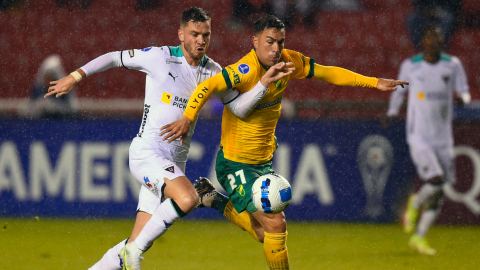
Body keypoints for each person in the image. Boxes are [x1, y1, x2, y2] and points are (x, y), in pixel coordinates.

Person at [45, 7, 294, 270]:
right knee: (187, 199)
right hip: (147, 153)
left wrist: (263, 84)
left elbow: (239, 107)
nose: (201, 40)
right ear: (181, 34)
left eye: (205, 35)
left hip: (173, 164)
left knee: (140, 238)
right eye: (194, 34)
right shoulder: (159, 57)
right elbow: (114, 57)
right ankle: (134, 252)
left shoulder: (213, 70)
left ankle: (119, 256)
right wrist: (75, 76)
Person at [159, 15, 408, 269]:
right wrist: (188, 117)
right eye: (269, 42)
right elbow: (207, 86)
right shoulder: (245, 70)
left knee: (262, 233)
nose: (276, 48)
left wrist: (374, 82)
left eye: (280, 41)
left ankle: (211, 198)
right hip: (236, 163)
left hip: (262, 161)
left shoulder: (289, 60)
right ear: (254, 41)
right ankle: (212, 198)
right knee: (276, 224)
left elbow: (326, 72)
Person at [385, 25, 470, 255]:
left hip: (443, 138)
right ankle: (414, 204)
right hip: (419, 135)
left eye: (439, 36)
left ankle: (419, 236)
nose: (434, 40)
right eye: (430, 36)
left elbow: (464, 90)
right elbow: (399, 90)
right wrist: (393, 112)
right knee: (436, 180)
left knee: (440, 190)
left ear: (444, 41)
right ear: (423, 41)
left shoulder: (452, 65)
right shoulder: (411, 66)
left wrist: (463, 98)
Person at [23, 54, 77, 119]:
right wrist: (38, 106)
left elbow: (71, 109)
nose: (48, 80)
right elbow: (29, 108)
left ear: (56, 78)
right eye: (46, 77)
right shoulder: (37, 89)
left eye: (50, 77)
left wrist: (54, 107)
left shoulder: (64, 90)